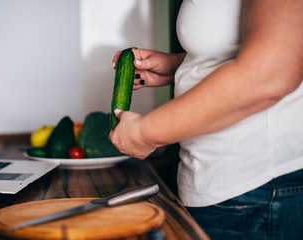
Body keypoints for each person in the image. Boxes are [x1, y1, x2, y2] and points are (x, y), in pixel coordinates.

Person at [109, 0, 303, 239]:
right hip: (218, 185)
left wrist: (144, 134)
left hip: (258, 187)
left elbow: (272, 73)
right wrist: (179, 66)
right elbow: (236, 47)